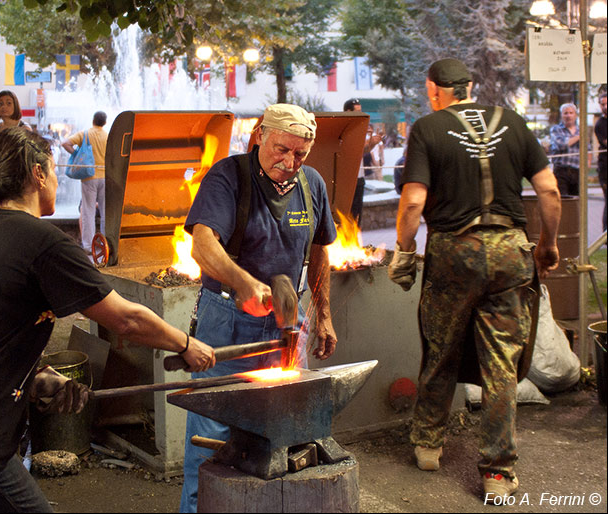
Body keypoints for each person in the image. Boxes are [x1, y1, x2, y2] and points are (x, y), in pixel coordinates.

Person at [0, 127, 215, 513]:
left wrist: (35, 379)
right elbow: (127, 320)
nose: (56, 177)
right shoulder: (40, 241)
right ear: (38, 174)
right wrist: (186, 344)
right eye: (52, 168)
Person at [388, 58, 561, 502]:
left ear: (434, 90)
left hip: (453, 253)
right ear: (471, 85)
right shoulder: (515, 121)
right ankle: (498, 474)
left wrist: (405, 251)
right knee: (502, 364)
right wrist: (547, 245)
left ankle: (428, 445)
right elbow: (549, 192)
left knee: (441, 346)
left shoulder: (428, 128)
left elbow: (412, 202)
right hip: (511, 253)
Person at [179, 103, 339, 512]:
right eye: (282, 149)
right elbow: (202, 242)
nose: (289, 162)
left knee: (282, 436)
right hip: (228, 321)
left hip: (287, 327)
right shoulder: (228, 176)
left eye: (299, 154)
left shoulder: (312, 184)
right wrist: (244, 282)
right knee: (211, 443)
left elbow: (320, 251)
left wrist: (322, 315)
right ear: (260, 136)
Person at [63, 111, 108, 253]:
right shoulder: (108, 136)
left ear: (93, 120)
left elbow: (66, 143)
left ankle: (88, 246)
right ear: (104, 122)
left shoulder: (85, 134)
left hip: (89, 177)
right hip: (105, 176)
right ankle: (106, 243)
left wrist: (76, 154)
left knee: (88, 212)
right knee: (106, 212)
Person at [344, 98, 382, 226]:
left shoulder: (360, 126)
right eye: (357, 111)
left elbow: (362, 151)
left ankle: (355, 240)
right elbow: (352, 148)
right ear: (348, 111)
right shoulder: (344, 128)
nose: (360, 113)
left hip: (359, 177)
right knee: (345, 214)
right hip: (347, 178)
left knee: (357, 214)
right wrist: (369, 143)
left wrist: (372, 143)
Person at [549, 102, 590, 196]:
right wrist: (579, 137)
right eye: (565, 113)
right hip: (561, 171)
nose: (568, 116)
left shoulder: (581, 130)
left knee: (577, 202)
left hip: (577, 171)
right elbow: (562, 144)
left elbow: (588, 149)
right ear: (561, 115)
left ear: (576, 115)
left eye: (571, 113)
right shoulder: (556, 129)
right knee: (564, 201)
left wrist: (587, 164)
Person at [595, 93, 607, 232]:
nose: (605, 107)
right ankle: (605, 235)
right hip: (605, 170)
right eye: (603, 104)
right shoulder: (600, 124)